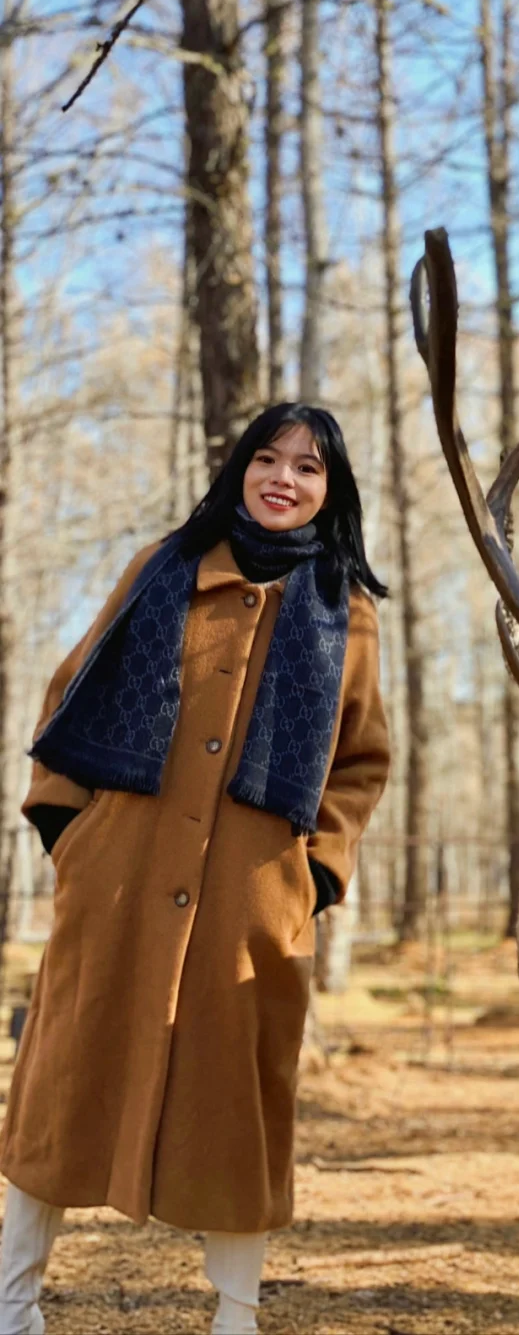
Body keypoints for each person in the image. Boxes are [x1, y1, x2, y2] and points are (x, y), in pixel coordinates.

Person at [0, 404, 391, 1334]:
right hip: (120, 882)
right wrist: (73, 833)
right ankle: (13, 1300)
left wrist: (311, 879)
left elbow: (362, 761)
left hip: (251, 904)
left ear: (330, 492)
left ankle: (235, 1312)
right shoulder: (163, 567)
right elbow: (75, 687)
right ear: (239, 469)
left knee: (241, 1100)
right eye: (267, 457)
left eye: (308, 467)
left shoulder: (349, 611)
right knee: (66, 1077)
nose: (284, 478)